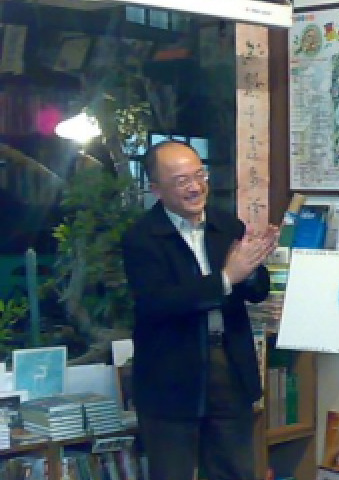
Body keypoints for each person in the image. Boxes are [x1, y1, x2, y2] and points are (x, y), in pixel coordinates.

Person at [121, 140, 278, 480]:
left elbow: (257, 292)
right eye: (182, 181)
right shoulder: (141, 238)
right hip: (171, 374)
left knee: (235, 470)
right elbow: (159, 302)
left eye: (199, 175)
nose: (195, 187)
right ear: (156, 189)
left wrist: (252, 267)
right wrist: (226, 278)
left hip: (228, 365)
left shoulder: (227, 225)